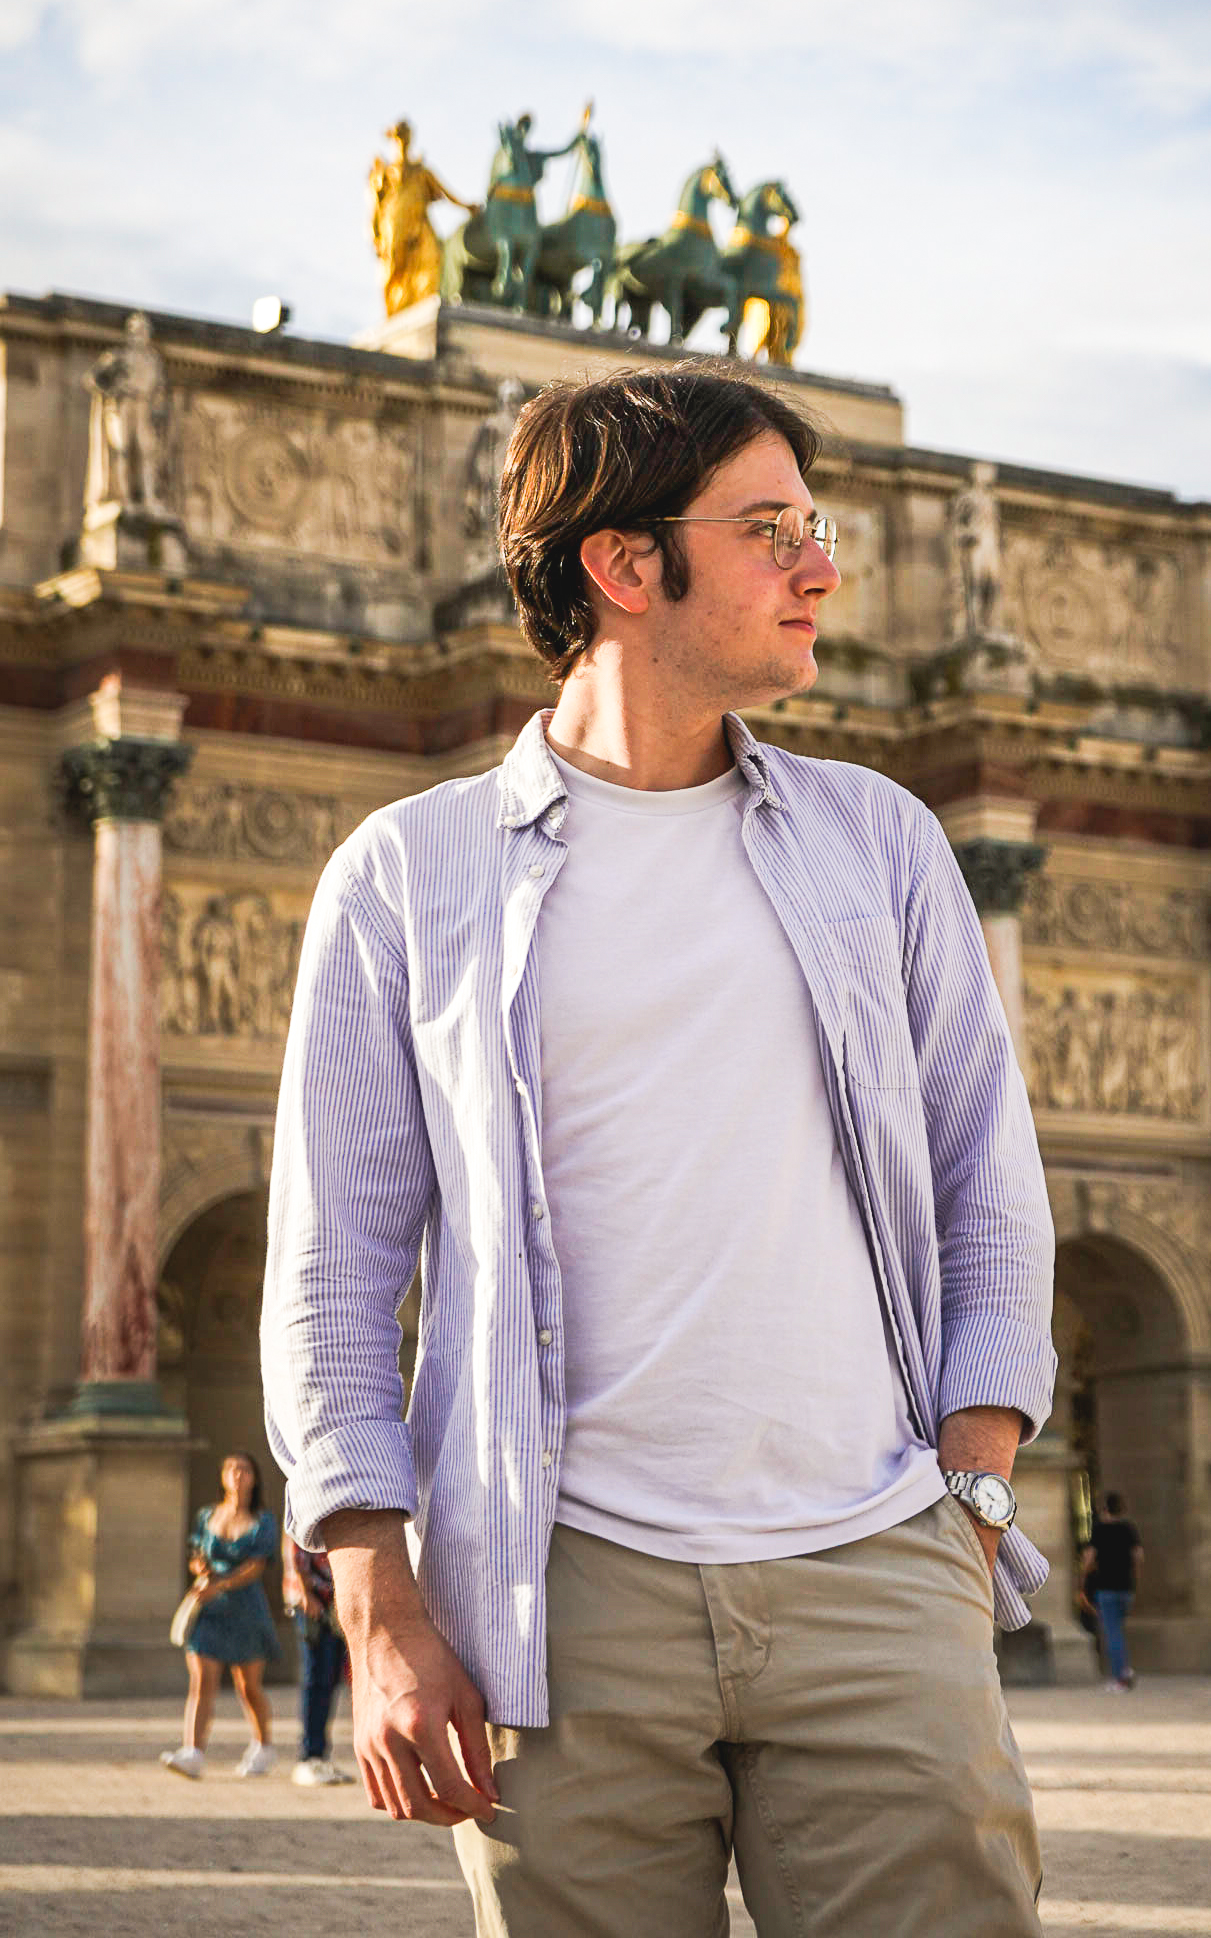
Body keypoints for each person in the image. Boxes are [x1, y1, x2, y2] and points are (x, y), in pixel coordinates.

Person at [262, 364, 1057, 1937]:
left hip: (878, 1562)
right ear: (625, 564)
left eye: (817, 528)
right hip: (556, 1592)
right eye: (772, 531)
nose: (820, 568)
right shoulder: (404, 875)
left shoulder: (882, 839)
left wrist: (971, 1500)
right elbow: (332, 1271)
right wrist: (376, 1600)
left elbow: (989, 1184)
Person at [161, 1450, 281, 1779]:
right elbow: (196, 1552)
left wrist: (222, 1585)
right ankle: (193, 1751)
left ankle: (263, 1745)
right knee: (201, 1681)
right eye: (230, 1469)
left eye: (244, 1469)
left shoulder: (264, 1522)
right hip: (209, 1609)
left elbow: (256, 1566)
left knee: (248, 1687)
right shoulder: (207, 1515)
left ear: (254, 1478)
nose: (237, 1475)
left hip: (246, 1610)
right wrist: (199, 1566)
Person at [283, 1532, 353, 1786]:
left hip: (337, 1600)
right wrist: (305, 1592)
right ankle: (310, 1756)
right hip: (313, 1602)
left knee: (331, 1679)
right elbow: (294, 1545)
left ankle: (320, 1756)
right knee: (317, 1679)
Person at [1080, 1490, 1143, 1691]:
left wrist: (1083, 1577)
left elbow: (1089, 1557)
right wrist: (1134, 1579)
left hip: (1106, 1587)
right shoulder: (1129, 1528)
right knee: (1118, 1630)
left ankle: (1121, 1676)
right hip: (1126, 1587)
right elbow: (1138, 1556)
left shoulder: (1100, 1529)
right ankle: (1124, 1670)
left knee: (1112, 1632)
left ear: (1103, 1509)